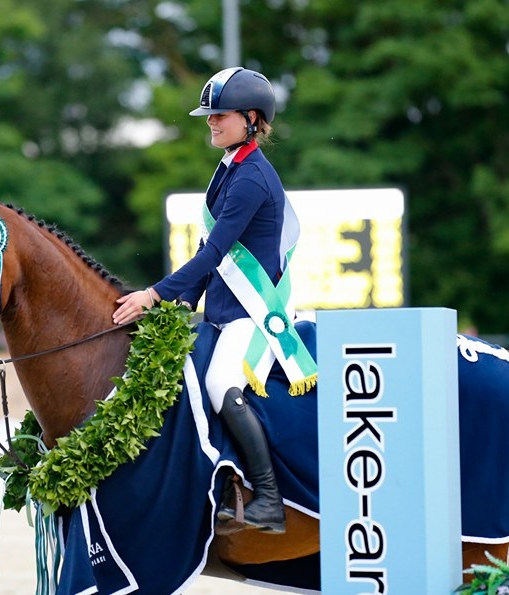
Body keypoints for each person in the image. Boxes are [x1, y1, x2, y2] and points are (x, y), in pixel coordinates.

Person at [113, 67, 316, 534]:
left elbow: (215, 252)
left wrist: (154, 294)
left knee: (222, 384)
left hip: (252, 315)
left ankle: (268, 498)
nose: (210, 122)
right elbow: (217, 261)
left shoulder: (251, 179)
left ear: (250, 118)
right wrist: (186, 300)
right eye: (208, 115)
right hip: (222, 311)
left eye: (218, 115)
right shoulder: (230, 169)